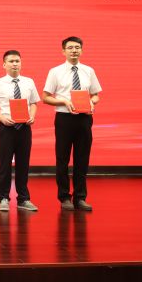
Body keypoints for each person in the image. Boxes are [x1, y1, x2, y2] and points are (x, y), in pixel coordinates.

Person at [43, 36, 102, 211]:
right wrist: (63, 101)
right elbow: (46, 97)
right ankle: (64, 197)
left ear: (81, 50)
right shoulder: (55, 71)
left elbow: (96, 94)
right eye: (70, 48)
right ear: (63, 51)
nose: (74, 50)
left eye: (77, 47)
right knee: (62, 158)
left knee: (82, 158)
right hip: (64, 118)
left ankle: (80, 197)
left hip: (84, 118)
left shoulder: (88, 71)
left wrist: (92, 102)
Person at [0, 50, 40, 212]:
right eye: (11, 61)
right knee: (5, 164)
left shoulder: (29, 82)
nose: (15, 64)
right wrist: (2, 118)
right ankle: (3, 198)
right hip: (7, 127)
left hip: (24, 127)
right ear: (4, 64)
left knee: (23, 164)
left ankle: (23, 198)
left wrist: (32, 116)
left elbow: (34, 103)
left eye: (17, 61)